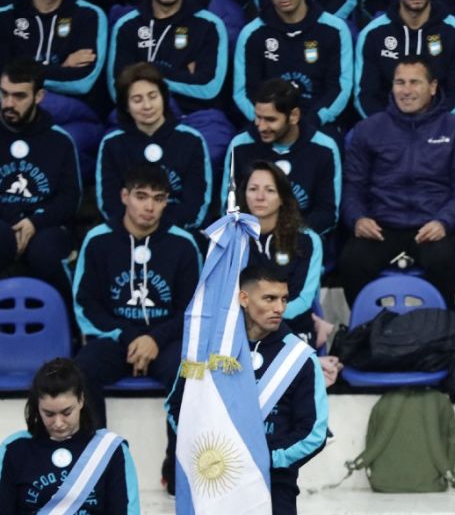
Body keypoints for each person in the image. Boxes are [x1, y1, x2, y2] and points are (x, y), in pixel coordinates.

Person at [169, 264, 329, 514]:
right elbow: (177, 407)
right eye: (269, 298)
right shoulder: (210, 349)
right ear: (243, 298)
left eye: (284, 299)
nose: (280, 308)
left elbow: (313, 433)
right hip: (215, 477)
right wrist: (205, 449)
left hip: (272, 480)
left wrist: (262, 458)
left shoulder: (300, 358)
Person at [340, 56, 455, 306]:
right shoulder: (368, 129)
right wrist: (357, 218)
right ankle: (370, 331)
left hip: (433, 226)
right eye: (400, 82)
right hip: (381, 226)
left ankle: (440, 331)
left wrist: (444, 222)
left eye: (415, 82)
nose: (406, 90)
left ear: (433, 87)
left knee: (443, 260)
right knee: (352, 260)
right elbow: (352, 186)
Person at [73, 163, 199, 426]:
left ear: (166, 202)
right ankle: (100, 456)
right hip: (116, 339)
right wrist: (131, 336)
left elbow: (193, 309)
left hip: (166, 342)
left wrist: (155, 339)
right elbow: (86, 304)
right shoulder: (98, 240)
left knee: (190, 371)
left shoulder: (183, 244)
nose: (149, 207)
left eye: (158, 198)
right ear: (124, 197)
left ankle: (176, 461)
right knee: (81, 370)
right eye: (141, 196)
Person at [106, 0, 232, 165]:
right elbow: (118, 89)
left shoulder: (209, 24)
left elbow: (209, 89)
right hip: (140, 117)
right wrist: (181, 74)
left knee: (208, 152)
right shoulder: (127, 25)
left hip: (195, 117)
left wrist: (146, 72)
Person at [0, 0, 108, 176]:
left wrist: (27, 71)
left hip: (76, 116)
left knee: (51, 144)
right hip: (15, 111)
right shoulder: (5, 18)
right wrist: (60, 66)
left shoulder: (89, 15)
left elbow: (83, 81)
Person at [0, 358, 139, 513]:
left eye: (67, 412)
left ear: (81, 400)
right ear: (37, 407)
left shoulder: (110, 449)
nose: (58, 423)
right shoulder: (15, 449)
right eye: (49, 414)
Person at [234, 0, 353, 127]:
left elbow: (338, 89)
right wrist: (270, 123)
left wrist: (309, 124)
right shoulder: (252, 34)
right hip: (267, 127)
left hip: (317, 126)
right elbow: (244, 93)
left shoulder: (335, 30)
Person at [95, 63, 211, 231]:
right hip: (128, 232)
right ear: (126, 106)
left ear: (164, 97)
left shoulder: (192, 140)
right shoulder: (112, 144)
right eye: (137, 100)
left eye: (153, 96)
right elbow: (110, 204)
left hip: (178, 232)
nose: (147, 106)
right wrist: (137, 228)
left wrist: (159, 230)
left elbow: (196, 204)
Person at [0, 58, 80, 298]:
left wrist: (35, 222)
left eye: (19, 96)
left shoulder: (60, 140)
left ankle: (71, 328)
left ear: (39, 96)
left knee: (44, 252)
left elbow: (70, 198)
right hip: (2, 223)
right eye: (4, 94)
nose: (8, 103)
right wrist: (11, 222)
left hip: (46, 226)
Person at [222, 79, 341, 237]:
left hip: (302, 240)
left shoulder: (324, 148)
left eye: (270, 120)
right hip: (251, 238)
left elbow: (327, 213)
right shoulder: (240, 146)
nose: (261, 126)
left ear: (293, 116)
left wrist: (287, 235)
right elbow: (231, 205)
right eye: (258, 117)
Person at [238, 160, 329, 349]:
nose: (260, 197)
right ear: (244, 194)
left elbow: (303, 300)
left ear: (282, 198)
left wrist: (262, 317)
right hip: (242, 327)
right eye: (253, 189)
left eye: (270, 190)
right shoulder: (231, 239)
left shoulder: (307, 240)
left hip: (292, 327)